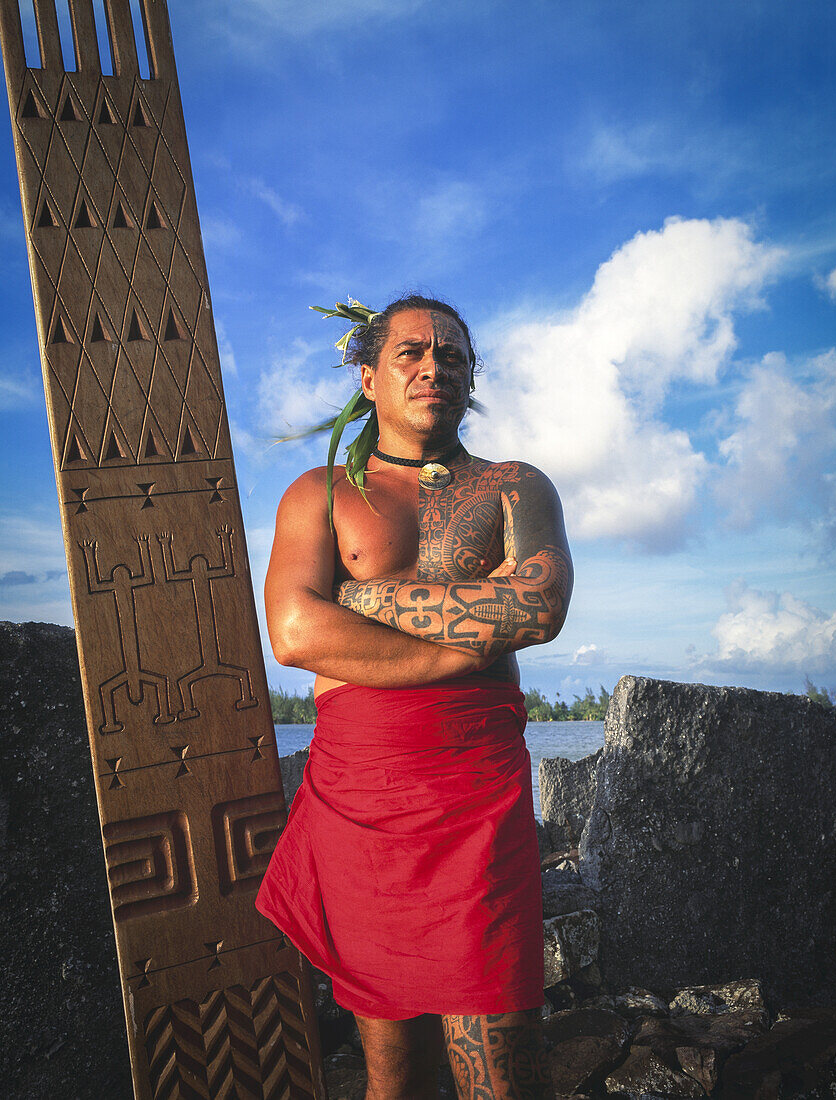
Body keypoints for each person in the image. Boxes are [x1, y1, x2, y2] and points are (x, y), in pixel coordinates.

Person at [256, 294, 573, 1099]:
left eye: (455, 356)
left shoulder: (513, 486)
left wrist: (355, 598)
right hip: (363, 796)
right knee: (390, 1073)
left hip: (475, 796)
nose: (436, 367)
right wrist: (447, 656)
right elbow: (293, 633)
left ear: (471, 378)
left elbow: (536, 607)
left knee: (503, 1065)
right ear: (368, 376)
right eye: (411, 354)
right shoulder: (318, 492)